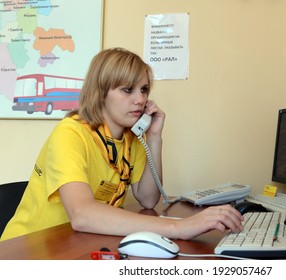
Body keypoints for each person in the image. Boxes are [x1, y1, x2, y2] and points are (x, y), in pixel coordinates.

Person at [1, 47, 243, 241]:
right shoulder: (70, 133)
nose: (140, 99)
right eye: (128, 90)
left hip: (76, 242)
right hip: (28, 251)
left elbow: (148, 199)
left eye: (144, 90)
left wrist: (155, 137)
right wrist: (177, 228)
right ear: (100, 93)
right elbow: (82, 215)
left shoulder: (131, 137)